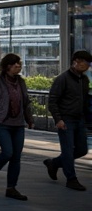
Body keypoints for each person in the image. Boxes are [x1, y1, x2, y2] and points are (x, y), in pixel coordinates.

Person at [0, 53, 35, 200]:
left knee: (16, 157)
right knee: (7, 153)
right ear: (7, 67)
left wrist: (29, 118)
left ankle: (11, 188)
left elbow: (26, 102)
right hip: (1, 123)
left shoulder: (21, 82)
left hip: (18, 124)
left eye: (19, 64)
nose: (18, 66)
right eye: (15, 64)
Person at [42, 50, 90, 191]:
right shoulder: (62, 79)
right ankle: (71, 178)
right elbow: (52, 100)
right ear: (75, 61)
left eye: (88, 63)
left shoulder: (84, 80)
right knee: (68, 151)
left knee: (81, 150)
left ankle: (54, 163)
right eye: (84, 62)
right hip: (66, 120)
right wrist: (58, 119)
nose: (87, 66)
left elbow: (85, 100)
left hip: (79, 119)